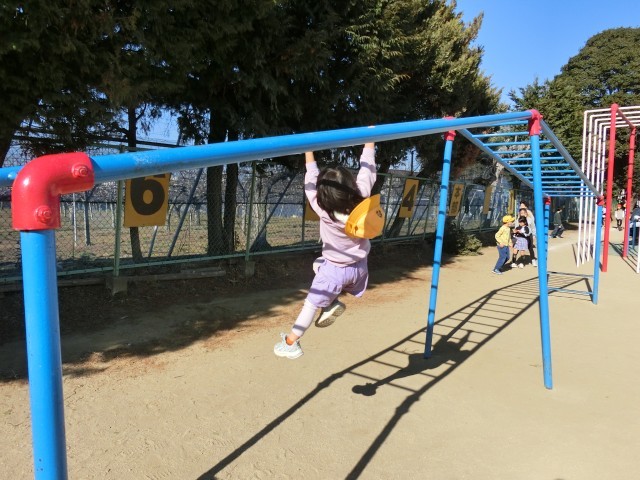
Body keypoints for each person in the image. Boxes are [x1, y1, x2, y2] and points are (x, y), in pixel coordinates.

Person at [274, 143, 376, 359]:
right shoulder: (362, 198)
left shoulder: (323, 210)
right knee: (318, 263)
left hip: (335, 271)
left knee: (310, 305)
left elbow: (311, 180)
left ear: (323, 195)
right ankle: (331, 303)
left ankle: (291, 343)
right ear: (352, 186)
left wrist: (308, 150)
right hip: (359, 268)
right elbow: (367, 171)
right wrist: (370, 142)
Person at [519, 202, 537, 267]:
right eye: (521, 213)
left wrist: (534, 235)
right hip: (521, 236)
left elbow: (533, 227)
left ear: (526, 213)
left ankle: (533, 260)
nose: (522, 214)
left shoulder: (529, 219)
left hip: (529, 236)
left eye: (523, 213)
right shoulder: (519, 220)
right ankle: (522, 262)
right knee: (522, 249)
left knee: (530, 248)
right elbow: (516, 227)